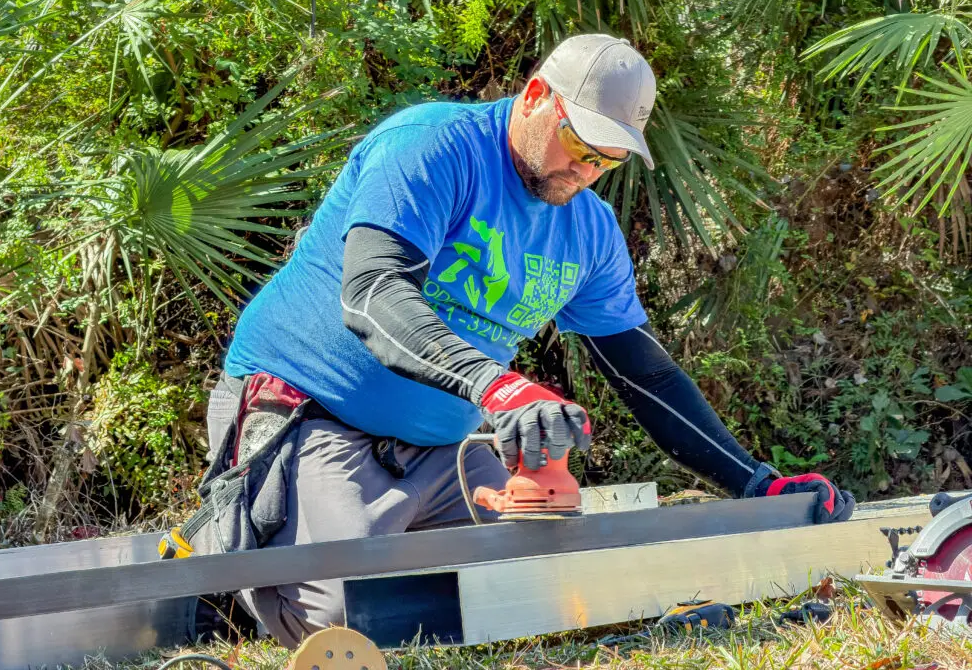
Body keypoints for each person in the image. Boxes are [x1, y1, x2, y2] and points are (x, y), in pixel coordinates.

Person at [201, 33, 855, 647]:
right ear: (538, 96)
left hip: (442, 450)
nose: (586, 170)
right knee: (353, 618)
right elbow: (372, 295)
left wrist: (754, 483)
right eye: (580, 144)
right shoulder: (432, 146)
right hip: (312, 412)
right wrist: (502, 386)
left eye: (608, 159)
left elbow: (643, 375)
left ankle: (315, 545)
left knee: (523, 597)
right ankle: (223, 564)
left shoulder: (589, 232)